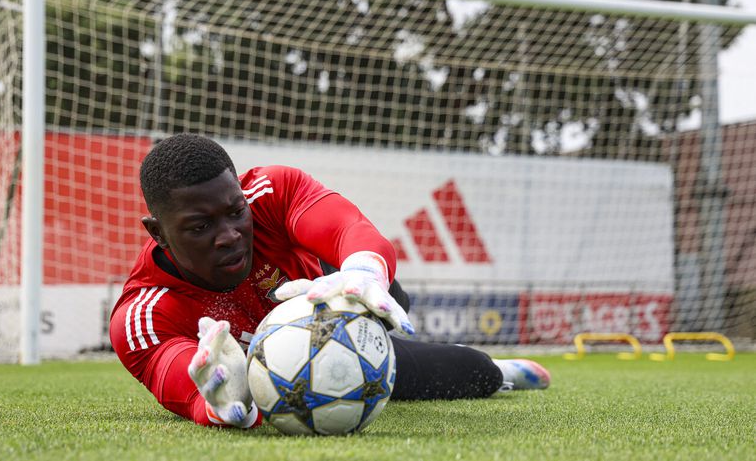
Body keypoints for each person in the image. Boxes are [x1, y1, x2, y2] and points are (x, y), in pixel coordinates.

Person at [109, 133, 550, 429]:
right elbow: (188, 383)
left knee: (407, 306)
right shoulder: (142, 313)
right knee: (465, 368)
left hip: (335, 312)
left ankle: (497, 371)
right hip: (278, 379)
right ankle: (495, 370)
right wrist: (221, 400)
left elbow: (347, 229)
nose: (229, 236)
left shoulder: (271, 192)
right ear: (157, 231)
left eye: (235, 212)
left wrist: (363, 270)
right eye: (199, 227)